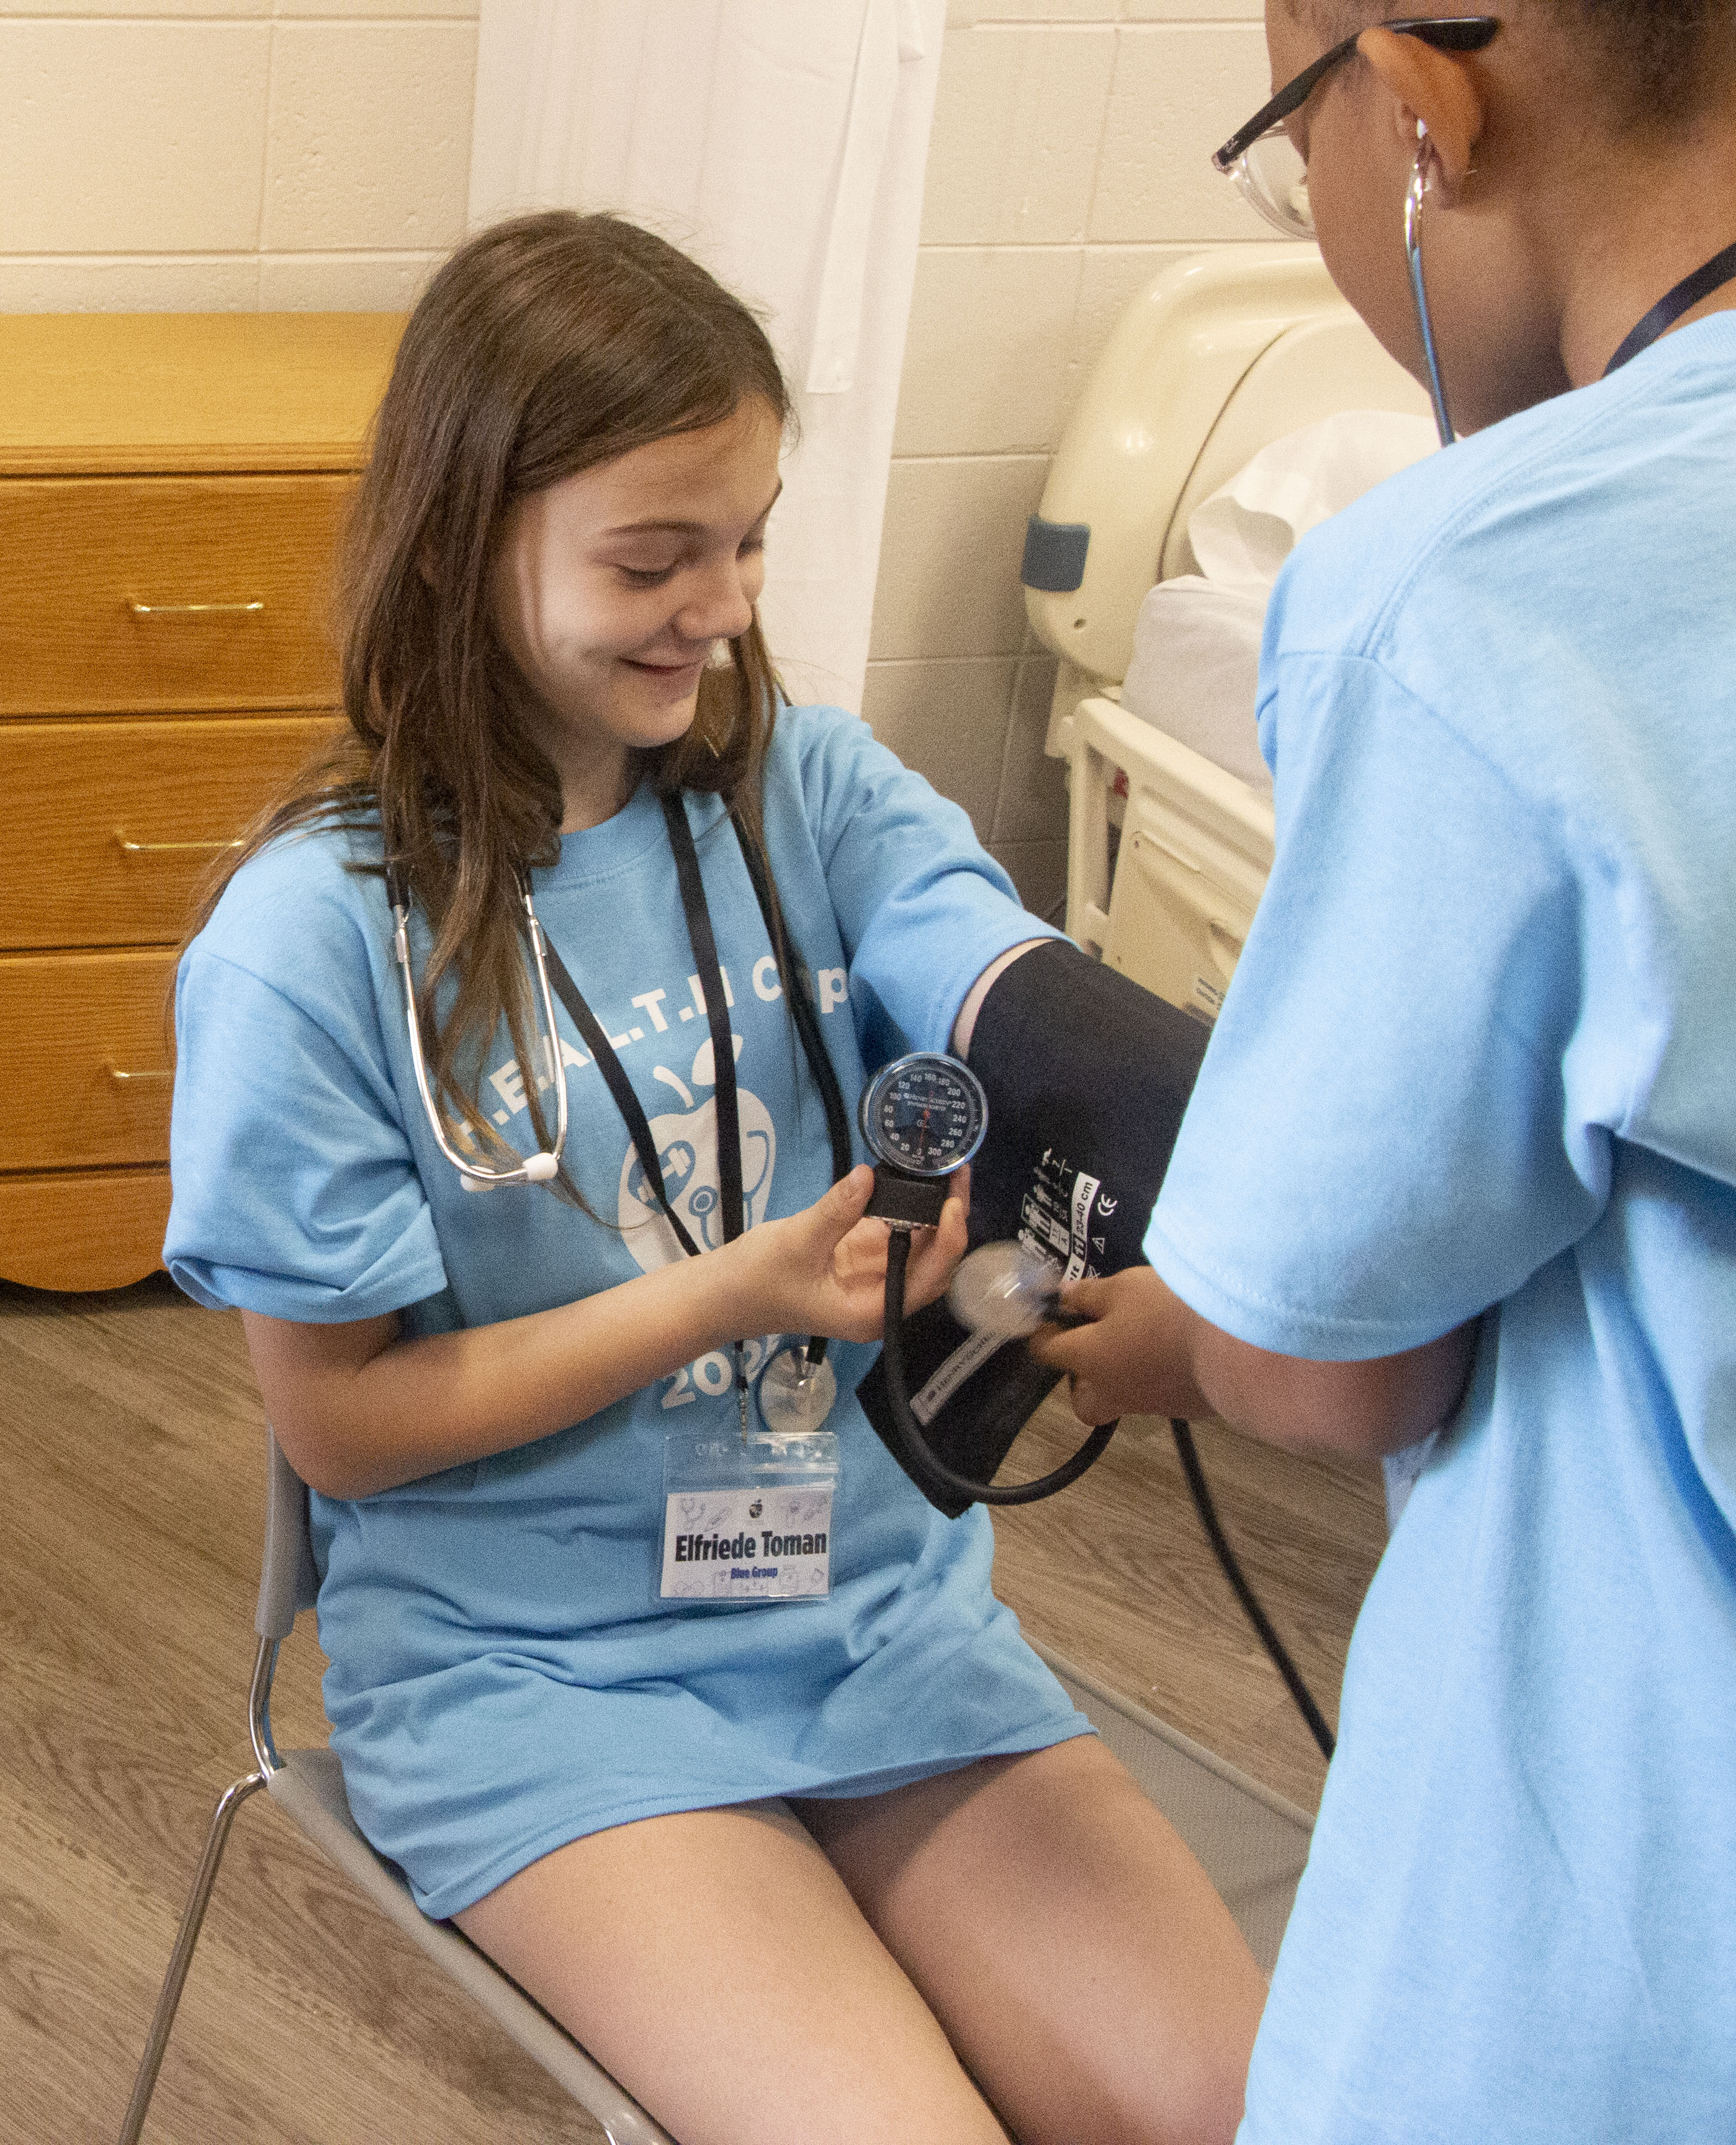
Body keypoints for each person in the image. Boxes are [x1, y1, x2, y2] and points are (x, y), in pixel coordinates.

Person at [162, 212, 1264, 2144]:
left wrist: (1137, 1139)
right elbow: (339, 1432)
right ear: (457, 546)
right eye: (651, 560)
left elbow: (1000, 984)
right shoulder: (310, 944)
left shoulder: (813, 799)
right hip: (537, 1677)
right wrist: (734, 1293)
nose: (721, 607)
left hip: (873, 1617)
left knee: (1256, 2112)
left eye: (746, 541)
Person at [1027, 5, 1736, 2138]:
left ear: (1422, 113)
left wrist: (1194, 1322)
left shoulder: (1484, 594)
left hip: (1630, 1927)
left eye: (1288, 144)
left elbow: (1334, 1364)